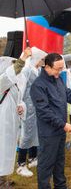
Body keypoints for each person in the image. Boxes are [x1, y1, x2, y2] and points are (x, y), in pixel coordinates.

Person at [30, 53, 71, 189]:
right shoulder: (38, 85)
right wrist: (63, 124)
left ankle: (61, 186)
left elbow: (68, 94)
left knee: (59, 161)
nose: (60, 71)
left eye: (62, 68)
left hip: (60, 131)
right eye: (57, 69)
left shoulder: (58, 79)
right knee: (46, 164)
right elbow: (44, 111)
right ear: (47, 67)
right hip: (48, 133)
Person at [0, 48, 31, 188]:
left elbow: (20, 100)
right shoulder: (3, 81)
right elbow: (8, 77)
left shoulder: (16, 82)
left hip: (11, 123)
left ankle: (3, 177)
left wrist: (21, 107)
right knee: (2, 151)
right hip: (2, 122)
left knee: (7, 152)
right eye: (11, 64)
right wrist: (23, 58)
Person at [17, 47, 47, 178]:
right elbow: (21, 87)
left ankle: (33, 158)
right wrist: (19, 103)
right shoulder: (27, 70)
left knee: (35, 132)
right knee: (27, 134)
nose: (43, 61)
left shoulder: (39, 70)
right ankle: (21, 164)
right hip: (28, 106)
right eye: (42, 59)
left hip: (37, 106)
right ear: (36, 58)